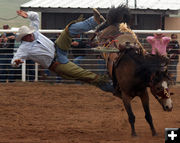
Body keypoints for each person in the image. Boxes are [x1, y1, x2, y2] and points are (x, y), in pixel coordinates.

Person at [11, 9, 114, 92]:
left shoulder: (34, 31)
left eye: (30, 34)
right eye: (28, 35)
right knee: (83, 74)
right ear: (24, 38)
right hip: (57, 63)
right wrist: (16, 63)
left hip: (58, 47)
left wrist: (27, 14)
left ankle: (94, 21)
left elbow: (35, 17)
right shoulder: (23, 49)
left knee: (68, 30)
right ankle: (110, 87)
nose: (31, 35)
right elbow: (14, 61)